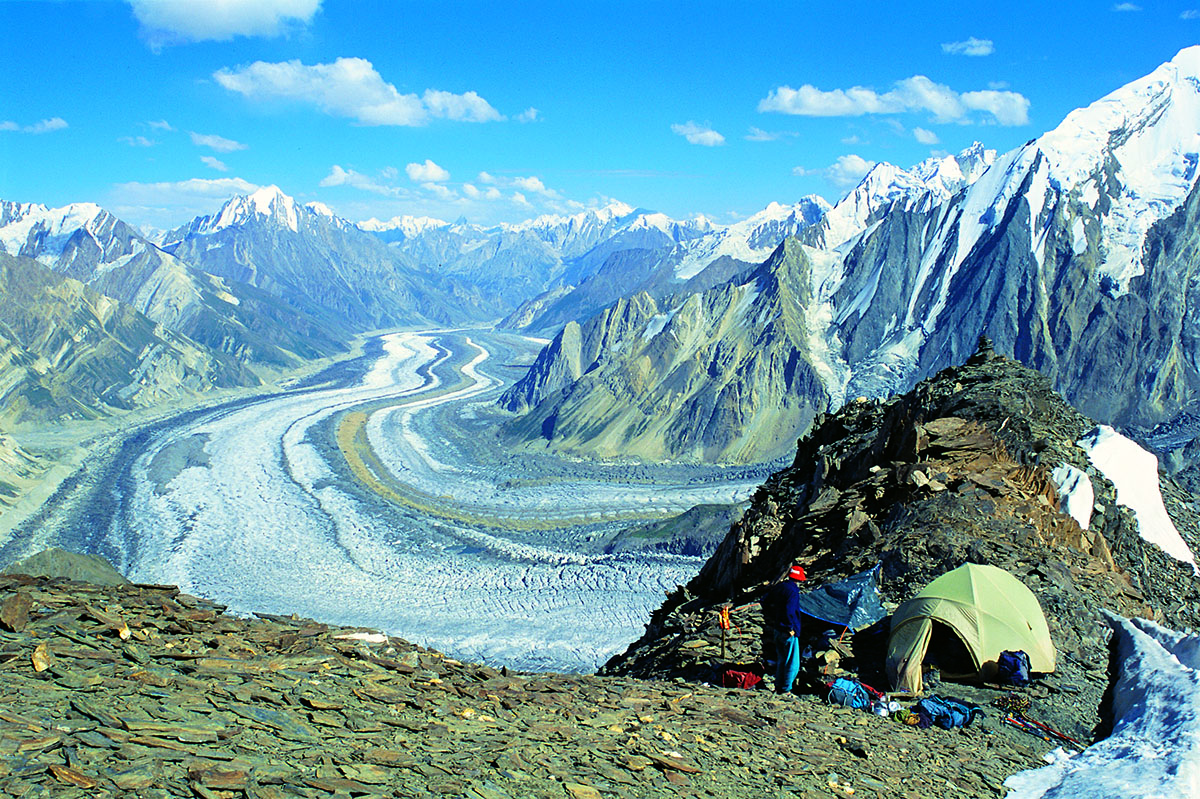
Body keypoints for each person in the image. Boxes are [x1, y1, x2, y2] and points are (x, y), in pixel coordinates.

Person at [764, 564, 806, 693]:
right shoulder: (793, 591)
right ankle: (786, 689)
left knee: (782, 659)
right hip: (788, 631)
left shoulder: (780, 587)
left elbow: (766, 601)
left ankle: (778, 685)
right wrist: (790, 627)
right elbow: (790, 610)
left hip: (777, 628)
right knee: (792, 662)